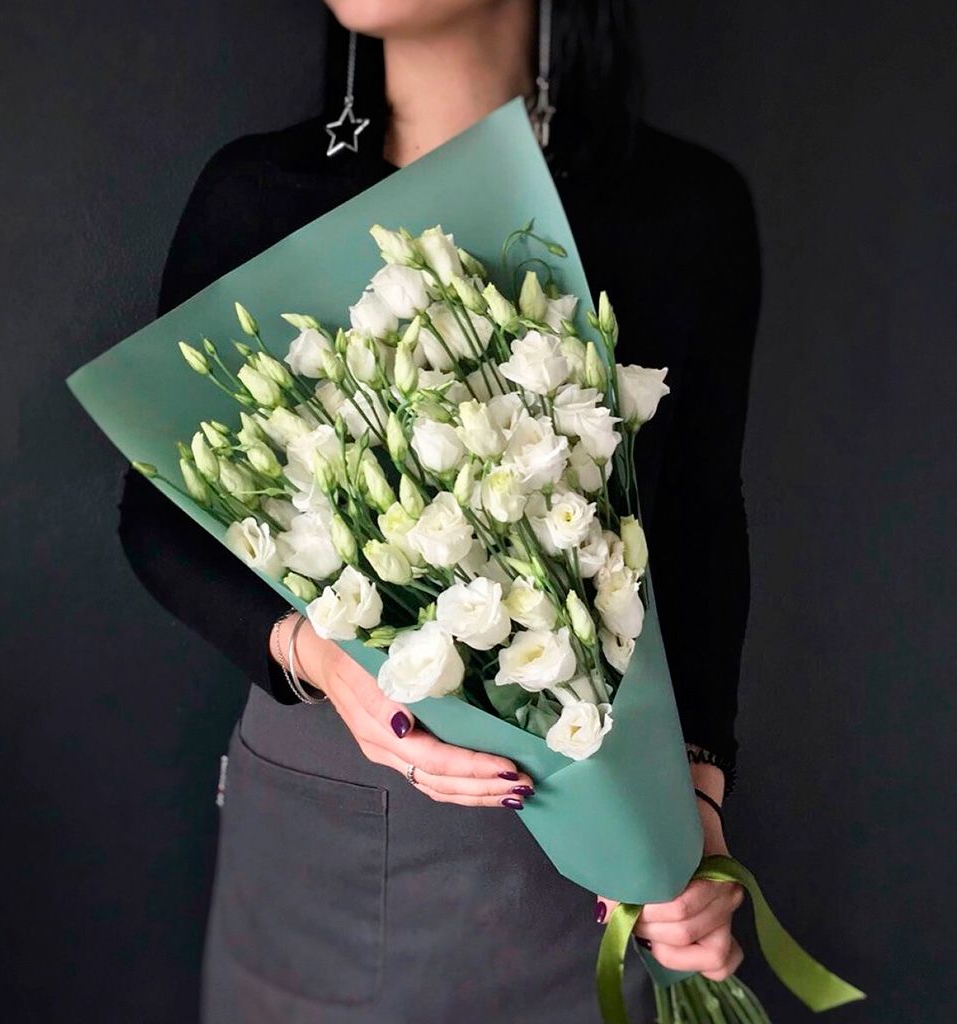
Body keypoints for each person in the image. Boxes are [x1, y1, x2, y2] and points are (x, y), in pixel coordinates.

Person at [117, 1, 761, 1020]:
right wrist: (323, 658)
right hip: (335, 825)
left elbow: (696, 527)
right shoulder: (264, 191)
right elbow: (158, 513)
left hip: (606, 843)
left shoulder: (681, 209)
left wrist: (695, 807)